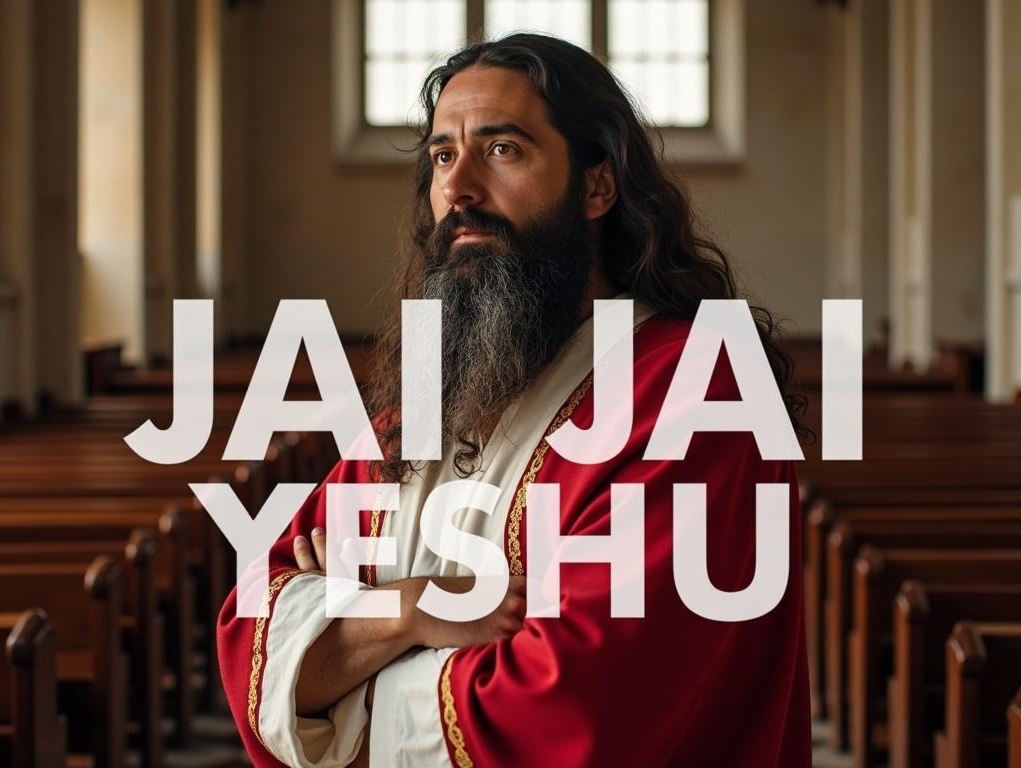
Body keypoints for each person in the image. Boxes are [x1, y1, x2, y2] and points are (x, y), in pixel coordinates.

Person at [217, 33, 811, 767]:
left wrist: (347, 657)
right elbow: (254, 628)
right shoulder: (429, 406)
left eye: (502, 150)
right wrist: (414, 608)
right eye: (441, 155)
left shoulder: (699, 393)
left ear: (597, 185)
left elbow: (577, 706)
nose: (459, 187)